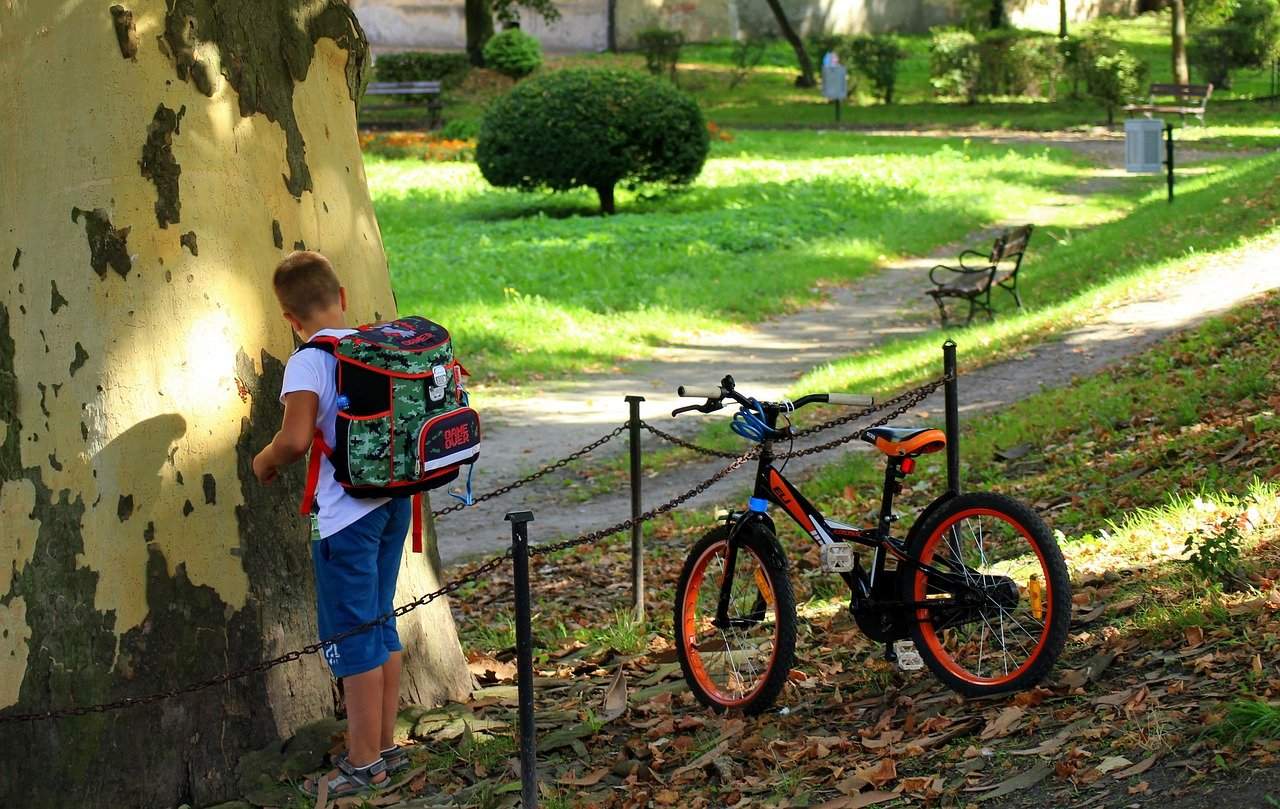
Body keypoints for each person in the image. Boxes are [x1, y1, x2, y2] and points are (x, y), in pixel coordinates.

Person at [252, 251, 409, 797]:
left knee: (353, 632)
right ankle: (386, 745)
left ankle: (365, 762)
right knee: (380, 620)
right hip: (394, 502)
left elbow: (296, 440)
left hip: (344, 517)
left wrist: (265, 461)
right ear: (342, 298)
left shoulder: (307, 361)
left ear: (290, 319)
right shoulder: (376, 346)